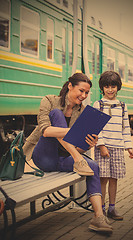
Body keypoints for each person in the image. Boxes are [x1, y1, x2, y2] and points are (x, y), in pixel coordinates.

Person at [23, 73, 113, 233]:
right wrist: (72, 132)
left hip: (64, 158)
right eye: (81, 91)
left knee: (92, 166)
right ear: (70, 86)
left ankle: (98, 217)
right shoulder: (50, 100)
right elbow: (45, 131)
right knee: (56, 114)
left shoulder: (83, 112)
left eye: (87, 93)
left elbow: (76, 147)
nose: (84, 96)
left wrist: (88, 145)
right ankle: (79, 160)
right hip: (44, 157)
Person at [93, 71, 133, 220]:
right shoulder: (98, 104)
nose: (110, 90)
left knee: (114, 178)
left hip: (117, 147)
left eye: (113, 86)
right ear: (102, 88)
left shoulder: (123, 106)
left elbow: (126, 127)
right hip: (103, 148)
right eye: (106, 86)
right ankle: (101, 209)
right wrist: (102, 145)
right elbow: (96, 128)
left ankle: (112, 208)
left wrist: (128, 146)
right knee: (103, 178)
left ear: (118, 87)